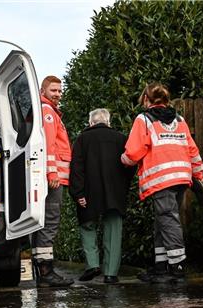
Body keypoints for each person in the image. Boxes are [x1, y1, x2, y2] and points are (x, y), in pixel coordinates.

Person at [121, 83, 203, 283]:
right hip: (181, 177)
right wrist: (199, 176)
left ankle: (177, 266)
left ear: (145, 99)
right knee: (163, 219)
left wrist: (123, 160)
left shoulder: (144, 119)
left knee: (167, 218)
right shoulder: (180, 120)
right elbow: (192, 150)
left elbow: (133, 153)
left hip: (161, 178)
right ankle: (161, 266)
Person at [69, 108, 134, 284]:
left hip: (89, 191)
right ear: (108, 122)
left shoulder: (82, 139)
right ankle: (111, 273)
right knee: (113, 229)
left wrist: (78, 193)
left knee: (87, 225)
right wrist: (123, 187)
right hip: (115, 192)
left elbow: (76, 168)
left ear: (91, 123)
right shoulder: (121, 138)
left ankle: (92, 265)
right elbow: (131, 164)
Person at [31, 75, 73, 287]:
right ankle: (46, 271)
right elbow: (48, 146)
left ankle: (43, 268)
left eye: (59, 91)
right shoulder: (48, 112)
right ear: (43, 90)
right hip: (54, 179)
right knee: (50, 221)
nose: (57, 94)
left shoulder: (50, 111)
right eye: (53, 90)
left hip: (54, 177)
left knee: (46, 222)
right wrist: (52, 174)